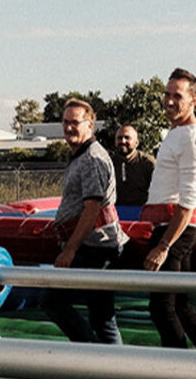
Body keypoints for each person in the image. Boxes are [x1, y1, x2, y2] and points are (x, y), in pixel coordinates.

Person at [140, 68, 196, 350]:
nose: (169, 101)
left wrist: (165, 244)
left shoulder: (191, 138)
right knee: (182, 306)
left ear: (194, 100)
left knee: (161, 307)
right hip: (176, 226)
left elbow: (188, 199)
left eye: (178, 96)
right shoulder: (184, 133)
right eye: (167, 94)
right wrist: (194, 217)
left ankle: (179, 373)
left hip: (172, 229)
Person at [40, 99, 129, 344]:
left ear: (90, 125)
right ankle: (108, 367)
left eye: (75, 122)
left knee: (53, 300)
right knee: (101, 315)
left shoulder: (91, 158)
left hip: (96, 248)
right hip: (93, 246)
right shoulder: (81, 155)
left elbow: (92, 208)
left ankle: (92, 354)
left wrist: (70, 249)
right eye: (65, 122)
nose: (69, 127)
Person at [111, 125, 155, 206]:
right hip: (116, 213)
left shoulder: (147, 163)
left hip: (142, 212)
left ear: (136, 143)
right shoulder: (109, 163)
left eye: (127, 138)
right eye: (119, 138)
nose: (123, 141)